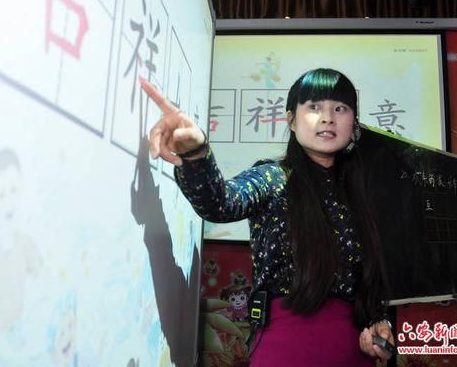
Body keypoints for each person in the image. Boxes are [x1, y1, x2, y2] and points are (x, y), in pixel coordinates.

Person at [141, 68, 395, 366]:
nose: (328, 117)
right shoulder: (273, 177)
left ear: (354, 121)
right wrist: (196, 152)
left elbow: (372, 279)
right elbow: (220, 203)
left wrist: (380, 324)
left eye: (340, 108)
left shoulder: (363, 193)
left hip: (353, 353)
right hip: (284, 348)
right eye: (314, 107)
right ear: (291, 119)